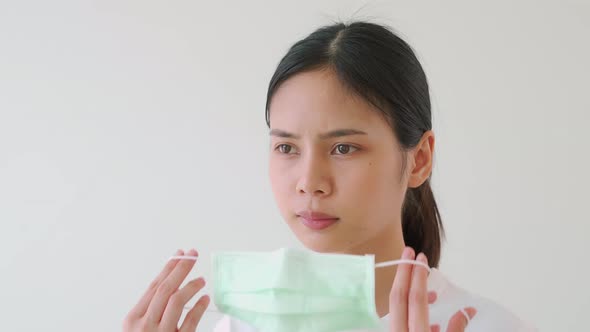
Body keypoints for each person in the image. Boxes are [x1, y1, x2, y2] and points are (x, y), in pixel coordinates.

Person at [122, 21, 536, 332]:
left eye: (344, 148)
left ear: (420, 159)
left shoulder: (483, 325)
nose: (309, 182)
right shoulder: (237, 326)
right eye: (286, 147)